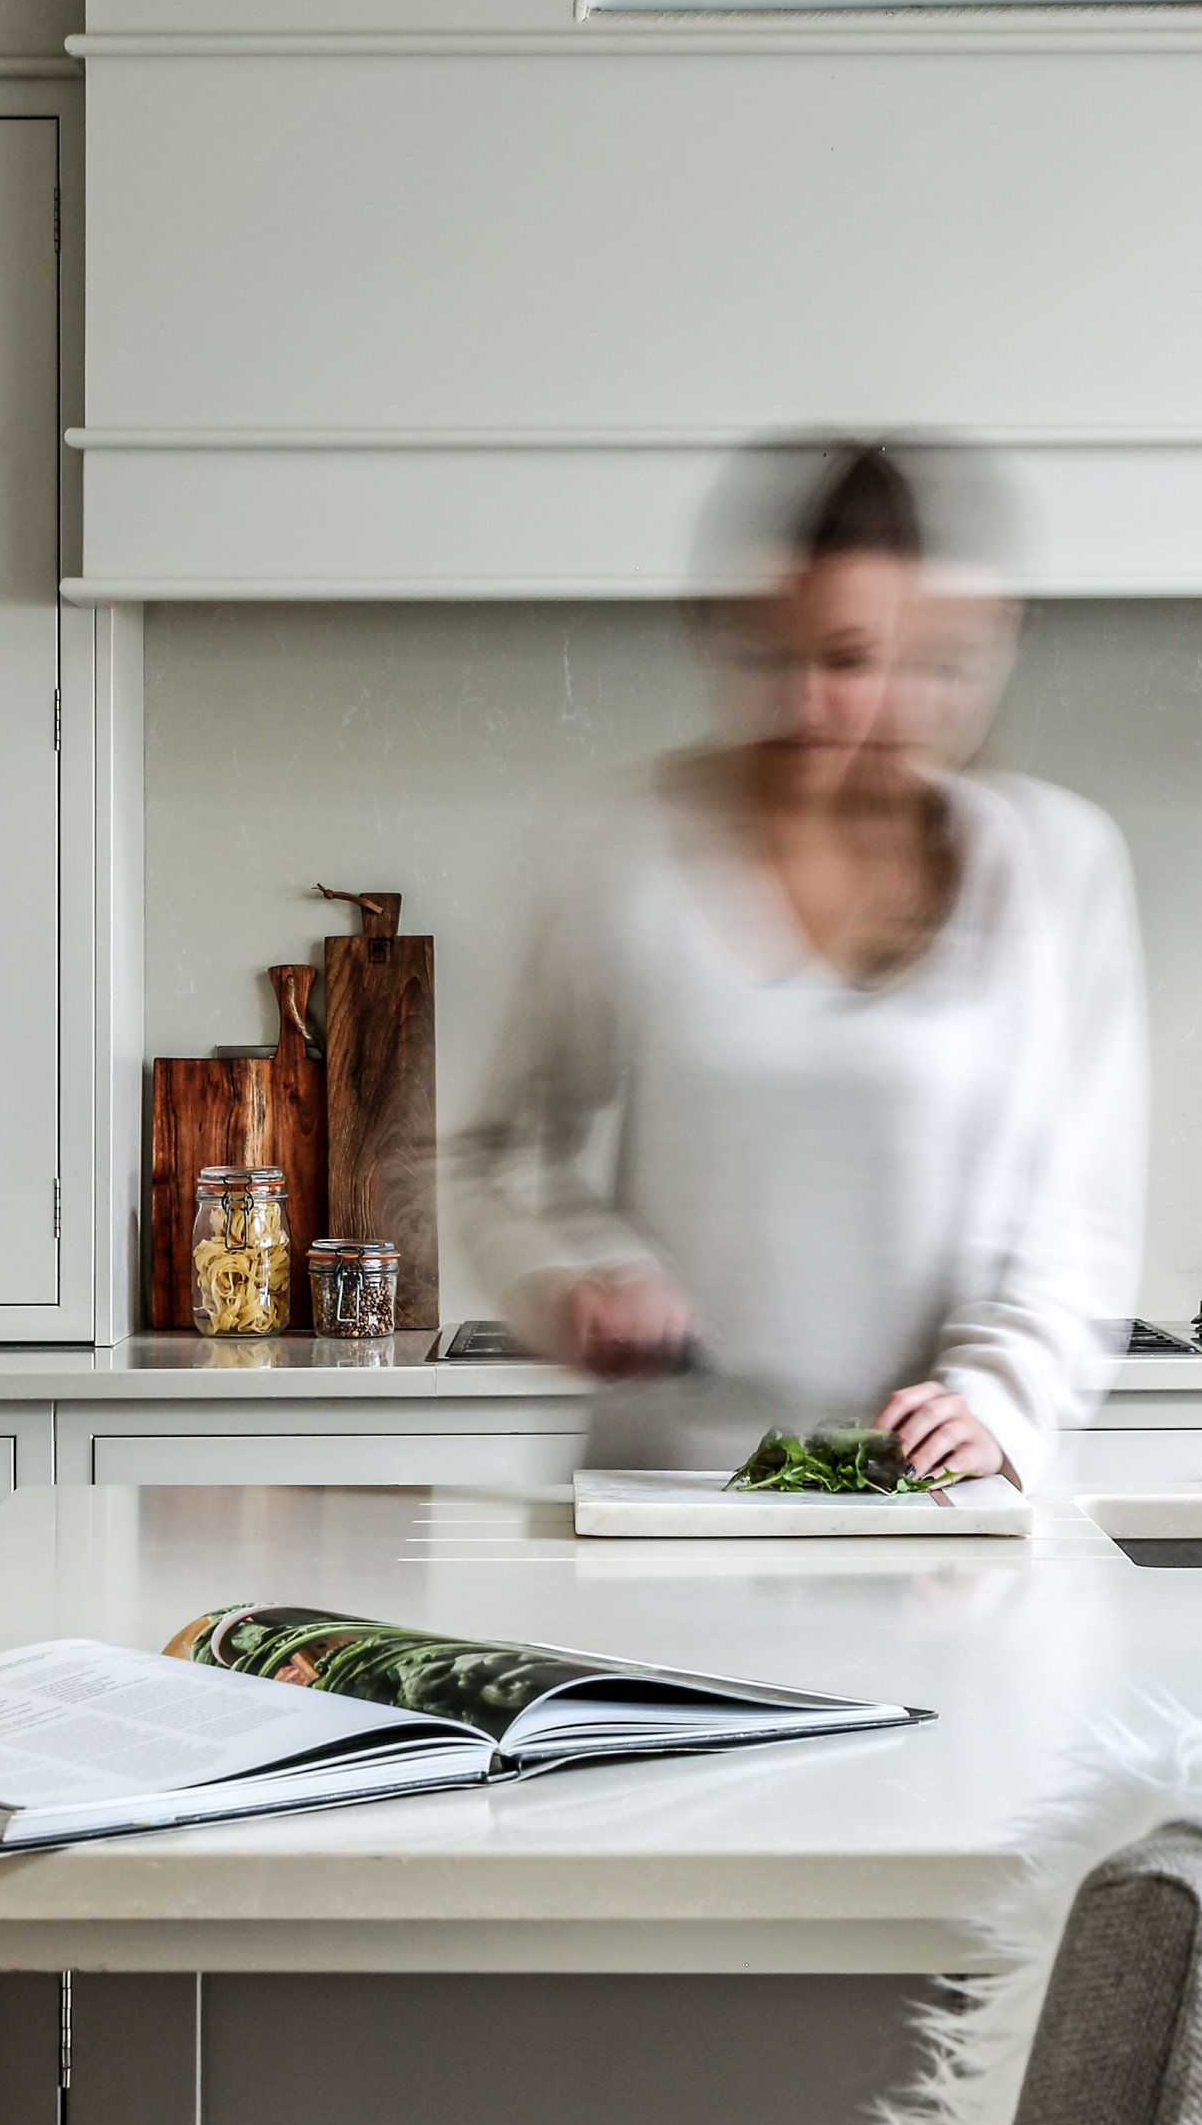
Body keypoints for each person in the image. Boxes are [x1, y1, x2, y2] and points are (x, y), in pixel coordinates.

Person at [450, 441, 1146, 1485]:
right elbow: (490, 1153)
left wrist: (997, 1400)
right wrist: (579, 1280)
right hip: (666, 1490)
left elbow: (1078, 1206)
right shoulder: (615, 846)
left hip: (934, 1497)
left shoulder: (1056, 862)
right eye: (785, 658)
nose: (822, 704)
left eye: (863, 661)